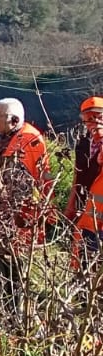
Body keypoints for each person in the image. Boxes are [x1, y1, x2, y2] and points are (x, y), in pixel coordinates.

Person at [0, 98, 54, 303]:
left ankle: (14, 313)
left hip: (19, 218)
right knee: (2, 266)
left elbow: (20, 186)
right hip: (6, 217)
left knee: (14, 269)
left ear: (14, 120)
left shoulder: (27, 141)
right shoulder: (10, 137)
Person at [63, 97, 103, 267]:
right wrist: (71, 207)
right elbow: (78, 177)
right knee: (83, 263)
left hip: (99, 221)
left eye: (98, 117)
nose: (93, 123)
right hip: (87, 213)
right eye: (88, 119)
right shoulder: (83, 145)